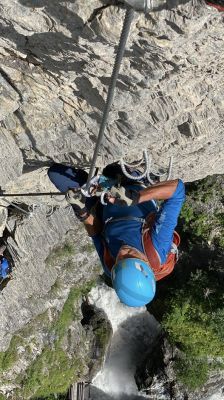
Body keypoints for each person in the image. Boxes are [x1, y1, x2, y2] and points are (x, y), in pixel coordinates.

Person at [48, 163, 185, 307]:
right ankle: (137, 176)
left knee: (56, 174)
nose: (122, 252)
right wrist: (136, 197)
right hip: (130, 188)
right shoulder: (157, 246)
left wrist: (82, 211)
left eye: (120, 259)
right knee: (111, 168)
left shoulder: (111, 266)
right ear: (145, 263)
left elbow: (96, 233)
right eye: (130, 256)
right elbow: (178, 190)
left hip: (102, 205)